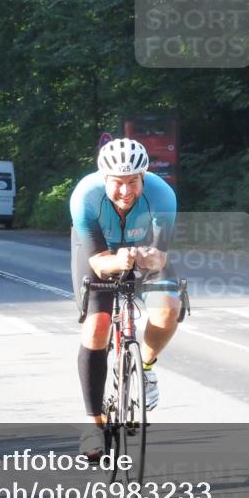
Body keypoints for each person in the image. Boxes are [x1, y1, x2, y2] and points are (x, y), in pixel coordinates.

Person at [70, 138, 179, 459]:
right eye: (118, 183)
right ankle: (94, 425)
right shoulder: (84, 198)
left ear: (144, 177)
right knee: (96, 326)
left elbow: (161, 256)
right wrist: (118, 261)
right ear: (105, 179)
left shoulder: (163, 196)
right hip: (99, 254)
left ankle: (144, 367)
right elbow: (99, 261)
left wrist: (146, 257)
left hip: (145, 253)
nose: (125, 191)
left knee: (168, 309)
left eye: (133, 182)